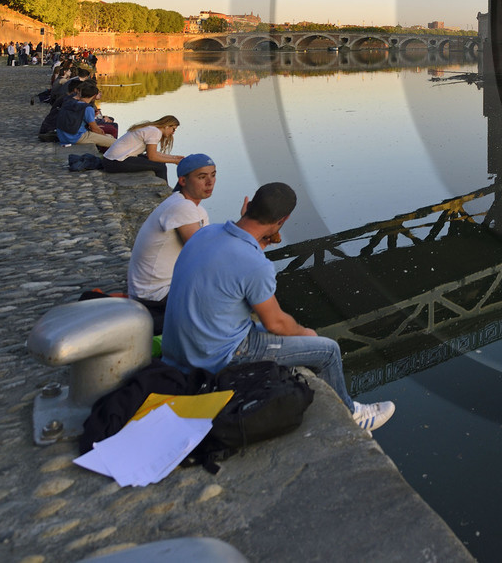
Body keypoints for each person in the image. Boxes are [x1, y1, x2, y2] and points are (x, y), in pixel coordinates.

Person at [161, 181, 394, 434]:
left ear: (248, 205)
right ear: (283, 220)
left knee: (262, 327)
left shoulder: (206, 233)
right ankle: (352, 416)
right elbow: (276, 322)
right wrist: (305, 333)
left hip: (177, 352)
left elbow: (229, 266)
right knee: (327, 350)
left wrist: (257, 241)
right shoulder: (256, 265)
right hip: (217, 358)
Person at [126, 154, 217, 328]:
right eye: (201, 177)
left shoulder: (192, 207)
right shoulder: (182, 207)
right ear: (183, 180)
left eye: (213, 175)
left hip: (156, 289)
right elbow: (202, 254)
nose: (210, 182)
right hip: (154, 295)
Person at [101, 115, 183, 181]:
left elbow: (151, 153)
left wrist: (174, 157)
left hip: (110, 160)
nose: (173, 133)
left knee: (159, 163)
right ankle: (165, 195)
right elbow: (152, 156)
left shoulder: (151, 128)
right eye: (173, 129)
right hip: (114, 162)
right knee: (160, 166)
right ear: (167, 126)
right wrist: (174, 161)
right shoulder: (155, 132)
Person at [56, 81, 116, 152]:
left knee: (109, 137)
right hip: (77, 137)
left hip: (63, 136)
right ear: (94, 96)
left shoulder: (70, 102)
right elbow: (94, 129)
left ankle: (104, 155)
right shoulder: (87, 108)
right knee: (115, 142)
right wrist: (102, 134)